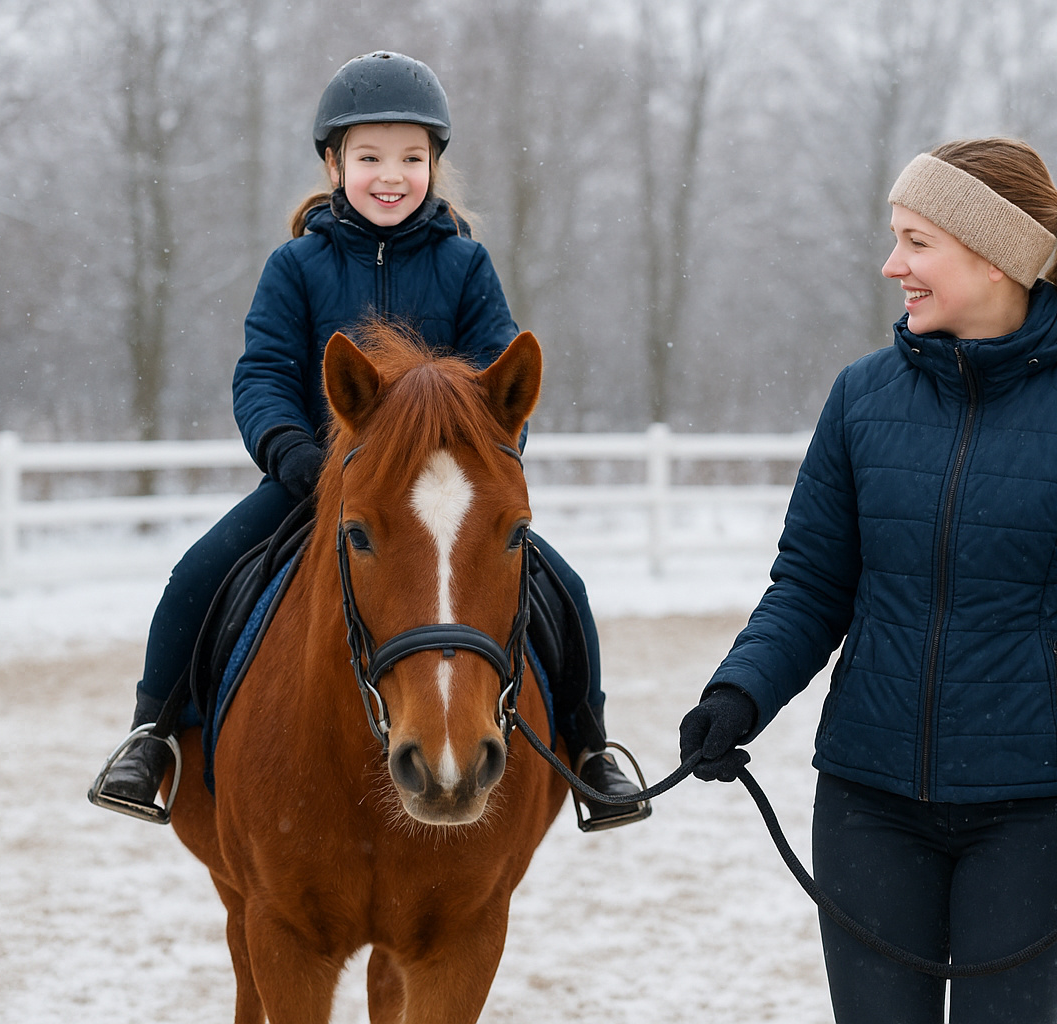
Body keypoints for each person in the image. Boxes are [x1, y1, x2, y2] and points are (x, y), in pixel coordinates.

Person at [679, 138, 1057, 1022]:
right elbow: (811, 584)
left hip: (1039, 813)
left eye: (916, 241)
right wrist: (740, 693)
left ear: (996, 253)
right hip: (867, 802)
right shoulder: (861, 398)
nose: (893, 266)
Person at [92, 50, 647, 829]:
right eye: (370, 157)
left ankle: (590, 749)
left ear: (434, 166)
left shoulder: (464, 265)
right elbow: (261, 376)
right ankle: (151, 735)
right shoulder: (296, 267)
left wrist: (485, 461)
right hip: (314, 481)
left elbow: (497, 380)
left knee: (563, 589)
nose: (392, 175)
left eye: (412, 158)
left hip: (438, 493)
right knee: (200, 570)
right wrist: (294, 454)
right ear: (333, 163)